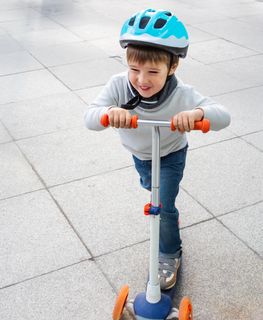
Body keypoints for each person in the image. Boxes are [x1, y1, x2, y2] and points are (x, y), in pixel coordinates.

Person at [85, 9, 231, 290]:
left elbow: (223, 116)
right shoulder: (118, 85)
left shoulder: (182, 94)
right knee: (157, 199)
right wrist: (110, 112)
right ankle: (169, 219)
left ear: (172, 67)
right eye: (134, 70)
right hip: (140, 156)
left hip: (170, 155)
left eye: (153, 72)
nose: (142, 80)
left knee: (161, 206)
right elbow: (89, 117)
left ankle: (169, 253)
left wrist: (198, 113)